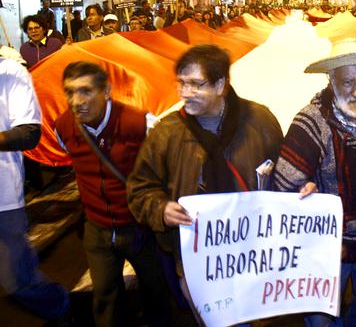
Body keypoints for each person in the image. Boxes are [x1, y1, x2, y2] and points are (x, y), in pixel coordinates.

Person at [126, 44, 283, 324]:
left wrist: (302, 193)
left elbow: (284, 174)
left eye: (197, 84)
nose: (186, 93)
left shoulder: (260, 122)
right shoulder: (167, 132)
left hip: (253, 253)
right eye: (182, 84)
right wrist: (160, 210)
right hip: (195, 260)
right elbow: (140, 188)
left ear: (221, 84)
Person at [274, 38, 356, 327]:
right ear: (331, 81)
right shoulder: (311, 121)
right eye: (346, 82)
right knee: (322, 319)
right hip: (328, 249)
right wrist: (301, 192)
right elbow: (282, 186)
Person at [54, 62, 171, 327]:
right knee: (105, 294)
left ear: (106, 91)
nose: (76, 101)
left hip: (139, 227)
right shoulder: (63, 127)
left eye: (85, 91)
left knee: (155, 288)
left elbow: (168, 168)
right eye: (69, 92)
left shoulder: (140, 123)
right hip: (97, 228)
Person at [0, 57, 70, 321]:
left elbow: (29, 133)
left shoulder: (9, 72)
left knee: (19, 281)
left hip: (2, 200)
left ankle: (62, 309)